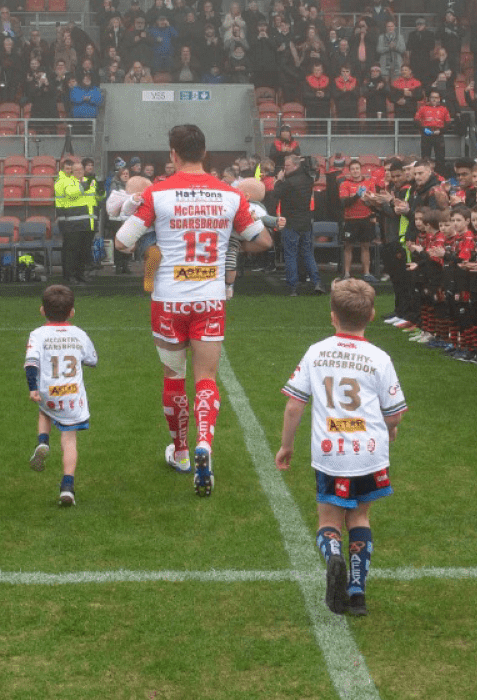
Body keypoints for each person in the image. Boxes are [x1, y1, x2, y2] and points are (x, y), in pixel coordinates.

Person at [113, 124, 272, 495]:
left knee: (173, 377)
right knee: (206, 378)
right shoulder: (229, 195)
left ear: (173, 153)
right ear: (205, 152)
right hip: (209, 298)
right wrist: (227, 247)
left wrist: (143, 232)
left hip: (168, 298)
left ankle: (182, 452)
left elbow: (122, 242)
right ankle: (205, 444)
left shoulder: (158, 192)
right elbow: (262, 240)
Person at [275, 278, 407, 617]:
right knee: (360, 516)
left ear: (332, 316)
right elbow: (395, 412)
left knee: (328, 519)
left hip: (331, 452)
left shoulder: (317, 352)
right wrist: (391, 430)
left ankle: (333, 554)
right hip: (369, 452)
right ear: (372, 315)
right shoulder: (380, 357)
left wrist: (286, 446)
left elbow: (294, 406)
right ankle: (357, 592)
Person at [24, 284, 97, 506]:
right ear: (72, 311)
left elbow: (31, 363)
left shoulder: (38, 334)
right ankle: (67, 487)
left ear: (42, 311)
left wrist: (32, 388)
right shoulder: (79, 334)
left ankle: (43, 441)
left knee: (44, 409)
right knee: (69, 440)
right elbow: (92, 360)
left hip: (49, 392)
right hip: (73, 396)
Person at [271, 156, 322, 295]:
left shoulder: (288, 182)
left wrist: (278, 180)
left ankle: (292, 287)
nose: (284, 169)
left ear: (295, 166)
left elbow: (275, 193)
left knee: (290, 255)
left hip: (291, 223)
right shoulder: (308, 179)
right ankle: (316, 282)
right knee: (307, 253)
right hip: (305, 222)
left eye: (286, 166)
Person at [53, 157, 96, 285]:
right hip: (72, 222)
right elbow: (71, 194)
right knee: (72, 250)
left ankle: (80, 274)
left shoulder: (89, 181)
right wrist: (84, 185)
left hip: (87, 221)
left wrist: (100, 191)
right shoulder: (66, 182)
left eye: (81, 169)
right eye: (76, 170)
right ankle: (70, 276)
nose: (79, 172)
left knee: (84, 250)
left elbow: (94, 198)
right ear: (72, 171)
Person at [336, 160, 377, 281]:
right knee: (348, 246)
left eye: (357, 168)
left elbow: (374, 202)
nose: (355, 171)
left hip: (365, 219)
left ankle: (367, 273)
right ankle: (347, 273)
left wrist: (368, 201)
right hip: (350, 220)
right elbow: (344, 203)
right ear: (350, 171)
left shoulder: (369, 183)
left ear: (361, 170)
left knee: (365, 246)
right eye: (353, 169)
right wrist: (357, 196)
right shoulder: (344, 184)